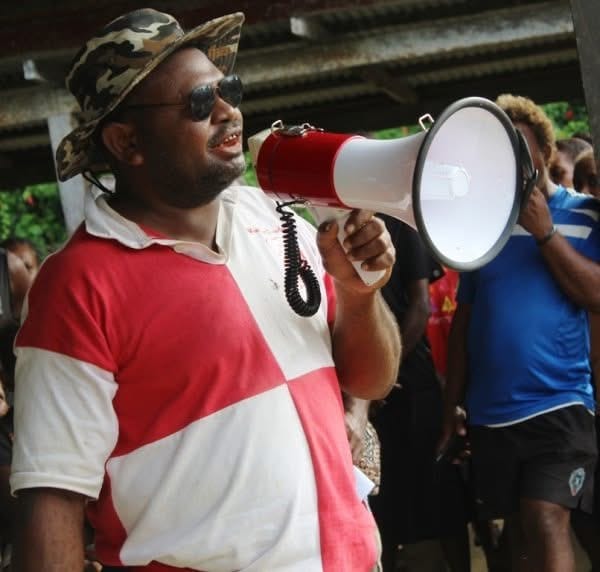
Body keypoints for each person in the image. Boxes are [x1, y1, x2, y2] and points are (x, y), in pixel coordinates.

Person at [9, 8, 401, 572]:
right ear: (126, 141)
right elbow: (52, 496)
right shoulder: (76, 285)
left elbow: (371, 379)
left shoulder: (275, 218)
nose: (228, 111)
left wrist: (360, 294)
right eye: (198, 103)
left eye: (229, 89)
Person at [440, 94, 600, 572]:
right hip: (493, 414)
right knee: (518, 543)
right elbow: (464, 322)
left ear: (544, 150)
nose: (508, 157)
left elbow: (595, 294)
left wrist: (545, 231)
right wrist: (451, 409)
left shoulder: (587, 214)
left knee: (546, 518)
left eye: (518, 145)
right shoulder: (481, 226)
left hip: (562, 404)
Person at [370, 217, 470, 572]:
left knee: (442, 502)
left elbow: (419, 307)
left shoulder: (399, 225)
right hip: (368, 396)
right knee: (381, 507)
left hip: (411, 385)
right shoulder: (332, 227)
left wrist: (383, 371)